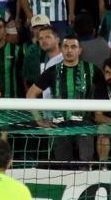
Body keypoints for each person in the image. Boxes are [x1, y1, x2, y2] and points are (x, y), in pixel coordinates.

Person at [27, 34, 106, 166]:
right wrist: (38, 119)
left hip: (85, 124)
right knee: (63, 167)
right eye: (66, 46)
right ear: (61, 49)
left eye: (73, 47)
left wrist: (98, 115)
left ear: (80, 50)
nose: (69, 50)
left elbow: (105, 91)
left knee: (85, 165)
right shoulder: (52, 71)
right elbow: (31, 94)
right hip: (60, 125)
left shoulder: (92, 70)